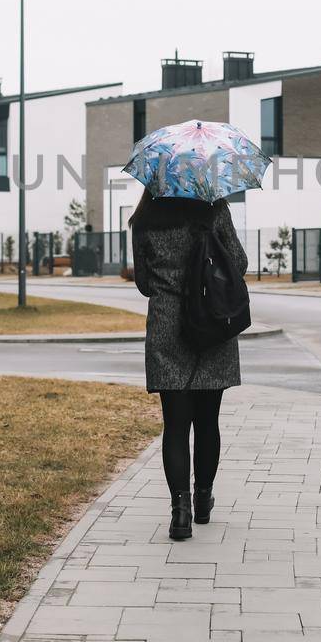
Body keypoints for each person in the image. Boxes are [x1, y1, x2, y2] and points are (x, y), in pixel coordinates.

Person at [130, 188, 247, 540]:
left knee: (176, 425)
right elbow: (238, 264)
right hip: (212, 322)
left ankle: (179, 513)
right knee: (208, 421)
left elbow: (144, 283)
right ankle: (203, 497)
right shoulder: (214, 213)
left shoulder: (144, 222)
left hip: (167, 326)